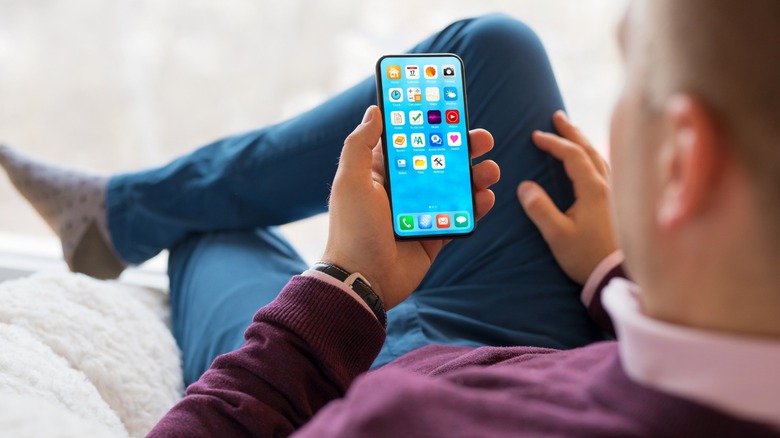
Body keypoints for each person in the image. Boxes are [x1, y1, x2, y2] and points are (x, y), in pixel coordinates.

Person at [3, 1, 780, 436]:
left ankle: (129, 214)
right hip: (563, 344)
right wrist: (620, 274)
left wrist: (348, 285)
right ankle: (123, 211)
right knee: (493, 51)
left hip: (352, 375)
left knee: (214, 233)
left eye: (630, 71)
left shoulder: (399, 425)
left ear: (682, 165)